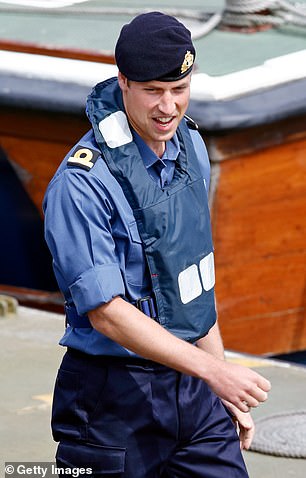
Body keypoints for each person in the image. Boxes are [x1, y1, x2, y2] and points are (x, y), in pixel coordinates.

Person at [43, 11, 271, 478]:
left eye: (179, 90)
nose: (168, 107)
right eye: (153, 91)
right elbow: (105, 311)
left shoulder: (192, 151)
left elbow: (193, 280)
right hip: (110, 404)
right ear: (123, 82)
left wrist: (219, 381)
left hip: (193, 390)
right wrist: (215, 374)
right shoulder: (81, 185)